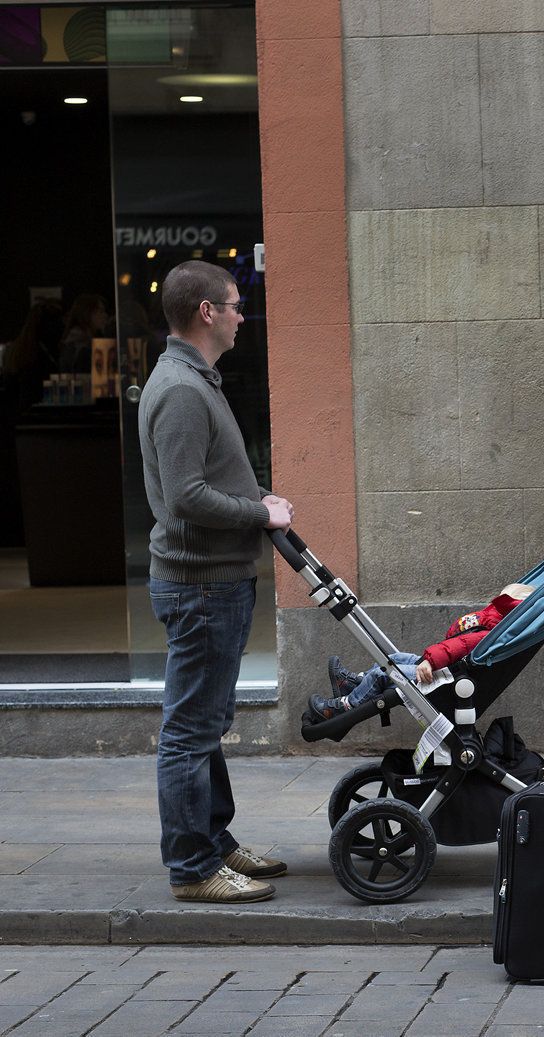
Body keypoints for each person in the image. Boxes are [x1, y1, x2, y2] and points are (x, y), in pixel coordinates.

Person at [139, 260, 295, 904]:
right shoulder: (180, 390)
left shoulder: (196, 379)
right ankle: (194, 868)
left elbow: (209, 479)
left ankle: (216, 842)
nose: (241, 315)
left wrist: (254, 493)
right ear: (206, 312)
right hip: (200, 585)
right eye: (234, 305)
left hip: (215, 580)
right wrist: (259, 513)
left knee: (206, 720)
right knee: (190, 730)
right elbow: (184, 498)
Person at [308, 583, 534, 719]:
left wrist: (430, 662)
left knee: (383, 673)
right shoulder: (490, 624)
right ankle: (354, 683)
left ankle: (343, 707)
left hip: (441, 677)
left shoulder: (488, 634)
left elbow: (454, 647)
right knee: (393, 659)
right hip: (443, 669)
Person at [58, 293, 108, 373]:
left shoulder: (78, 341)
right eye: (100, 311)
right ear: (87, 313)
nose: (105, 315)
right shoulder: (79, 344)